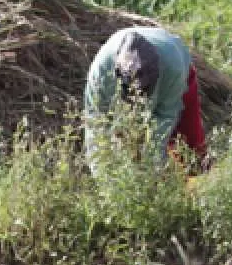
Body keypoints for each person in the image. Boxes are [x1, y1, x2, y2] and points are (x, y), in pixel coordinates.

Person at [84, 26, 206, 175]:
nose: (137, 102)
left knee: (192, 146)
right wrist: (102, 176)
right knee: (121, 146)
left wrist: (152, 172)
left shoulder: (173, 69)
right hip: (114, 74)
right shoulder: (100, 75)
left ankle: (200, 182)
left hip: (178, 77)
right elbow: (95, 124)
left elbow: (165, 117)